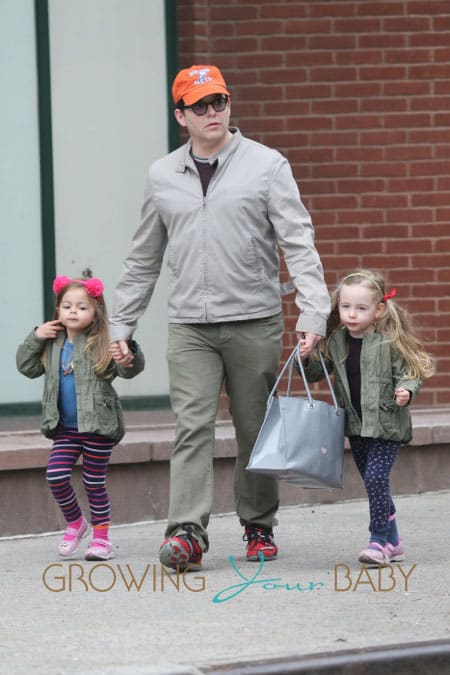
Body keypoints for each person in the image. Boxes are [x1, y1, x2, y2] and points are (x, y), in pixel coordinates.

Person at [109, 64, 330, 571]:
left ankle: (258, 525)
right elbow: (143, 258)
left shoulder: (267, 165)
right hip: (190, 324)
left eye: (220, 102)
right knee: (192, 426)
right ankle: (186, 533)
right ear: (180, 115)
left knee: (254, 426)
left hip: (254, 319)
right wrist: (122, 324)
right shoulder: (162, 175)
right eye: (201, 105)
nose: (213, 113)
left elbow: (299, 243)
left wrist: (314, 313)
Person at [300, 269, 434, 565]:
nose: (351, 314)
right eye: (346, 307)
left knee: (375, 478)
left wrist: (406, 391)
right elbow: (315, 374)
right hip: (356, 426)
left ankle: (378, 542)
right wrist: (307, 355)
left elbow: (410, 374)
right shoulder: (336, 342)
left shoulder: (389, 343)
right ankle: (395, 541)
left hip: (387, 425)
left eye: (361, 308)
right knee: (375, 483)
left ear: (378, 310)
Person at [16, 276, 144, 560]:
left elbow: (129, 370)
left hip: (98, 426)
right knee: (56, 475)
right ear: (58, 310)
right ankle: (76, 523)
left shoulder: (102, 341)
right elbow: (26, 367)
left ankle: (101, 540)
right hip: (65, 429)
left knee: (93, 482)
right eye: (67, 306)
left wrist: (128, 352)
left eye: (82, 307)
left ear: (96, 311)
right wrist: (35, 336)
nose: (73, 311)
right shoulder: (51, 342)